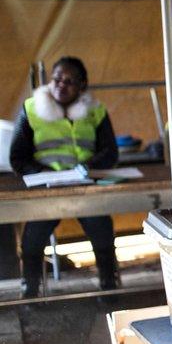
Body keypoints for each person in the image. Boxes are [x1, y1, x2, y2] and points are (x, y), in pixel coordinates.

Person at [9, 56, 120, 297]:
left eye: (70, 81)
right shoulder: (31, 109)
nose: (61, 85)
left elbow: (110, 151)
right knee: (33, 238)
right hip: (47, 187)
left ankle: (108, 287)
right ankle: (30, 290)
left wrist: (89, 166)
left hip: (85, 186)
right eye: (57, 79)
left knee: (102, 230)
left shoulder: (96, 111)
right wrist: (40, 172)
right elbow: (17, 157)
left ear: (83, 85)